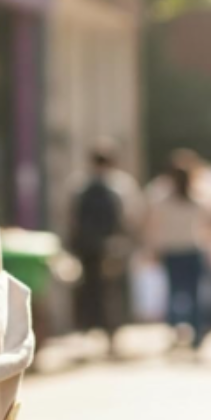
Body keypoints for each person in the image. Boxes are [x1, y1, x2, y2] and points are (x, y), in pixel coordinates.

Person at [67, 139, 143, 357]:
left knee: (89, 290)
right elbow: (132, 216)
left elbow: (70, 217)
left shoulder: (79, 184)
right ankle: (112, 335)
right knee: (113, 292)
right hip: (113, 248)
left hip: (87, 248)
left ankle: (89, 331)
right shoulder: (122, 185)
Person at [144, 159, 211, 352]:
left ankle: (176, 328)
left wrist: (153, 250)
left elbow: (154, 229)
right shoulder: (198, 201)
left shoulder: (162, 202)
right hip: (191, 250)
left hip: (174, 252)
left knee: (174, 293)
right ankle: (196, 331)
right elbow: (209, 226)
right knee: (193, 293)